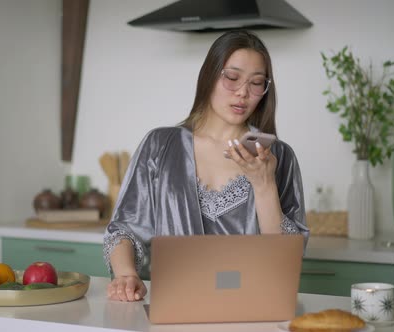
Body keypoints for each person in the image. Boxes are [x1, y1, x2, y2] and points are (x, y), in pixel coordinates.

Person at [103, 30, 309, 302]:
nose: (243, 93)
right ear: (209, 75)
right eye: (232, 78)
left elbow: (286, 260)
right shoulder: (160, 145)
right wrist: (127, 274)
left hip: (253, 309)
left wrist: (264, 185)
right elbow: (123, 229)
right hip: (176, 306)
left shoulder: (278, 157)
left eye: (256, 83)